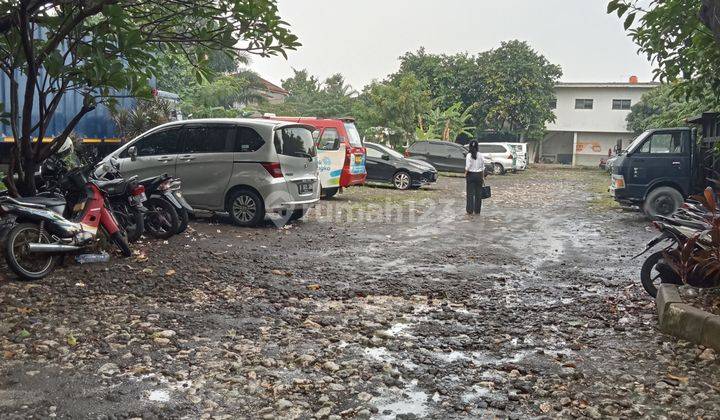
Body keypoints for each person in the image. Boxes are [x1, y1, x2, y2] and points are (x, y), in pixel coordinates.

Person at [465, 140, 485, 215]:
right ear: (477, 146)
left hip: (470, 175)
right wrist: (482, 177)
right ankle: (477, 210)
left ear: (470, 146)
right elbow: (483, 167)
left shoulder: (469, 155)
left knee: (470, 193)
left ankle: (469, 210)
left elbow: (468, 166)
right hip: (479, 175)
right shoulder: (480, 155)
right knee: (478, 194)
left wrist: (465, 174)